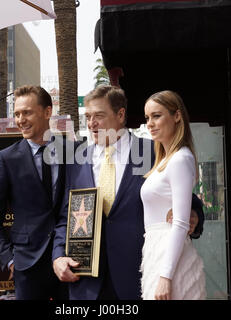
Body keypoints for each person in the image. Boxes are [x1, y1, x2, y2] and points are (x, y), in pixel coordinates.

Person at [52, 85, 204, 300]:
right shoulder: (75, 159)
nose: (91, 123)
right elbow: (64, 217)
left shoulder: (154, 151)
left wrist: (195, 215)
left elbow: (187, 198)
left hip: (139, 275)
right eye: (88, 116)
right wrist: (58, 256)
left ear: (120, 114)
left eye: (99, 116)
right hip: (86, 281)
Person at [0, 85, 66, 300]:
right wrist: (10, 260)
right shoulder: (7, 158)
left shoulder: (73, 152)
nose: (20, 120)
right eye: (17, 114)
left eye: (27, 112)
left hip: (70, 261)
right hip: (27, 265)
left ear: (48, 112)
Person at [141, 90, 206, 300]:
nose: (150, 123)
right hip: (156, 252)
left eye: (157, 116)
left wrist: (165, 276)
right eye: (147, 118)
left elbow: (180, 222)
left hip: (169, 257)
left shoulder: (180, 159)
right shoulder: (163, 161)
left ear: (177, 116)